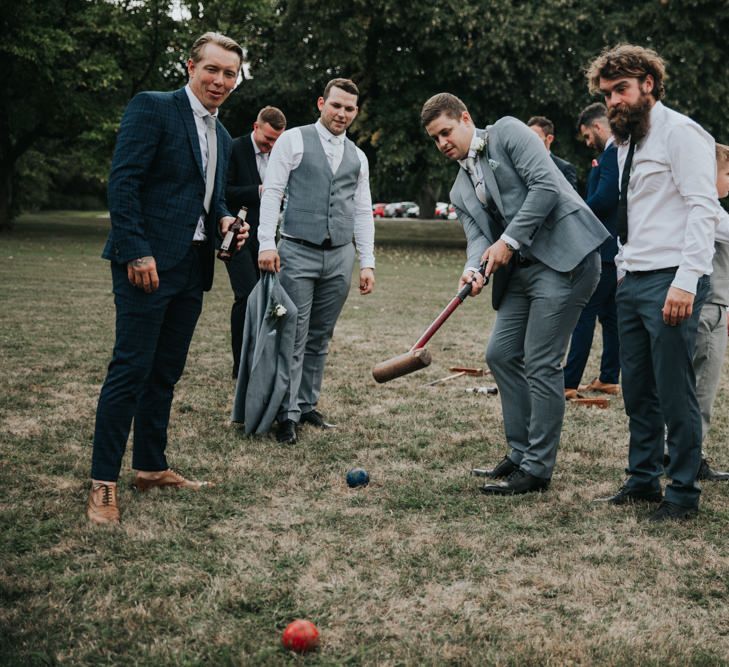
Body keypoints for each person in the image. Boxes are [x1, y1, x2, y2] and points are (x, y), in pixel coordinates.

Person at [87, 33, 248, 525]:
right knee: (131, 368)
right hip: (146, 263)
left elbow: (210, 199)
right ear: (190, 67)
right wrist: (136, 250)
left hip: (191, 268)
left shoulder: (221, 135)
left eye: (230, 74)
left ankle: (151, 467)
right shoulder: (152, 108)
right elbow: (125, 181)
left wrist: (225, 221)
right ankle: (102, 484)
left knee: (164, 372)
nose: (221, 81)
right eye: (213, 70)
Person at [421, 93, 608, 495]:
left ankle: (538, 469)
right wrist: (474, 268)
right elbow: (478, 238)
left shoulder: (507, 132)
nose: (442, 144)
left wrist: (507, 241)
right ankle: (520, 452)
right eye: (435, 138)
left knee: (541, 362)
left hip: (566, 260)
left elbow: (545, 188)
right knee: (501, 354)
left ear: (466, 118)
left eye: (446, 132)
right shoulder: (459, 188)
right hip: (522, 272)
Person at [587, 44, 723, 521]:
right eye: (607, 95)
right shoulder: (623, 144)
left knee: (674, 389)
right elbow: (634, 214)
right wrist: (623, 270)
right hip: (633, 279)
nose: (614, 102)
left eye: (621, 90)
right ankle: (642, 479)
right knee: (637, 390)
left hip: (674, 281)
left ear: (648, 84)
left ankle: (682, 492)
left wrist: (686, 283)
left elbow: (704, 209)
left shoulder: (682, 134)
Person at [257, 78, 375, 445]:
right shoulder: (293, 140)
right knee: (293, 333)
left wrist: (366, 261)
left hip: (340, 256)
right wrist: (266, 242)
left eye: (349, 108)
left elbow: (362, 211)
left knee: (321, 335)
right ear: (321, 103)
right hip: (297, 250)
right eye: (336, 105)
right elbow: (273, 192)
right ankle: (286, 412)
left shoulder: (358, 156)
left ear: (356, 113)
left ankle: (307, 404)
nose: (341, 113)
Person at [563, 103, 621, 398]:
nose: (588, 143)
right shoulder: (613, 155)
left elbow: (606, 199)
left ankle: (568, 383)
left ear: (598, 127)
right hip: (613, 251)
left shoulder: (613, 154)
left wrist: (577, 211)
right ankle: (609, 377)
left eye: (587, 136)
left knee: (584, 314)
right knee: (610, 317)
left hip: (605, 249)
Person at [225, 106, 287, 379]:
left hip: (267, 237)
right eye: (268, 139)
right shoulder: (233, 149)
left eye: (277, 140)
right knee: (246, 296)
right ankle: (241, 366)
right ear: (256, 127)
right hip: (236, 234)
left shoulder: (280, 154)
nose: (271, 145)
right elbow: (222, 192)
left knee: (266, 296)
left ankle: (260, 360)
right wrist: (259, 191)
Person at [690, 143, 729, 481]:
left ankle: (685, 451)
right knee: (700, 386)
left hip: (718, 307)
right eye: (727, 173)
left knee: (702, 386)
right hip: (708, 309)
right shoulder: (711, 212)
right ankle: (688, 455)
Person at [527, 116, 578, 190]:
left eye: (535, 137)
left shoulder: (565, 169)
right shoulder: (521, 165)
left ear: (549, 139)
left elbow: (572, 199)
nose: (529, 142)